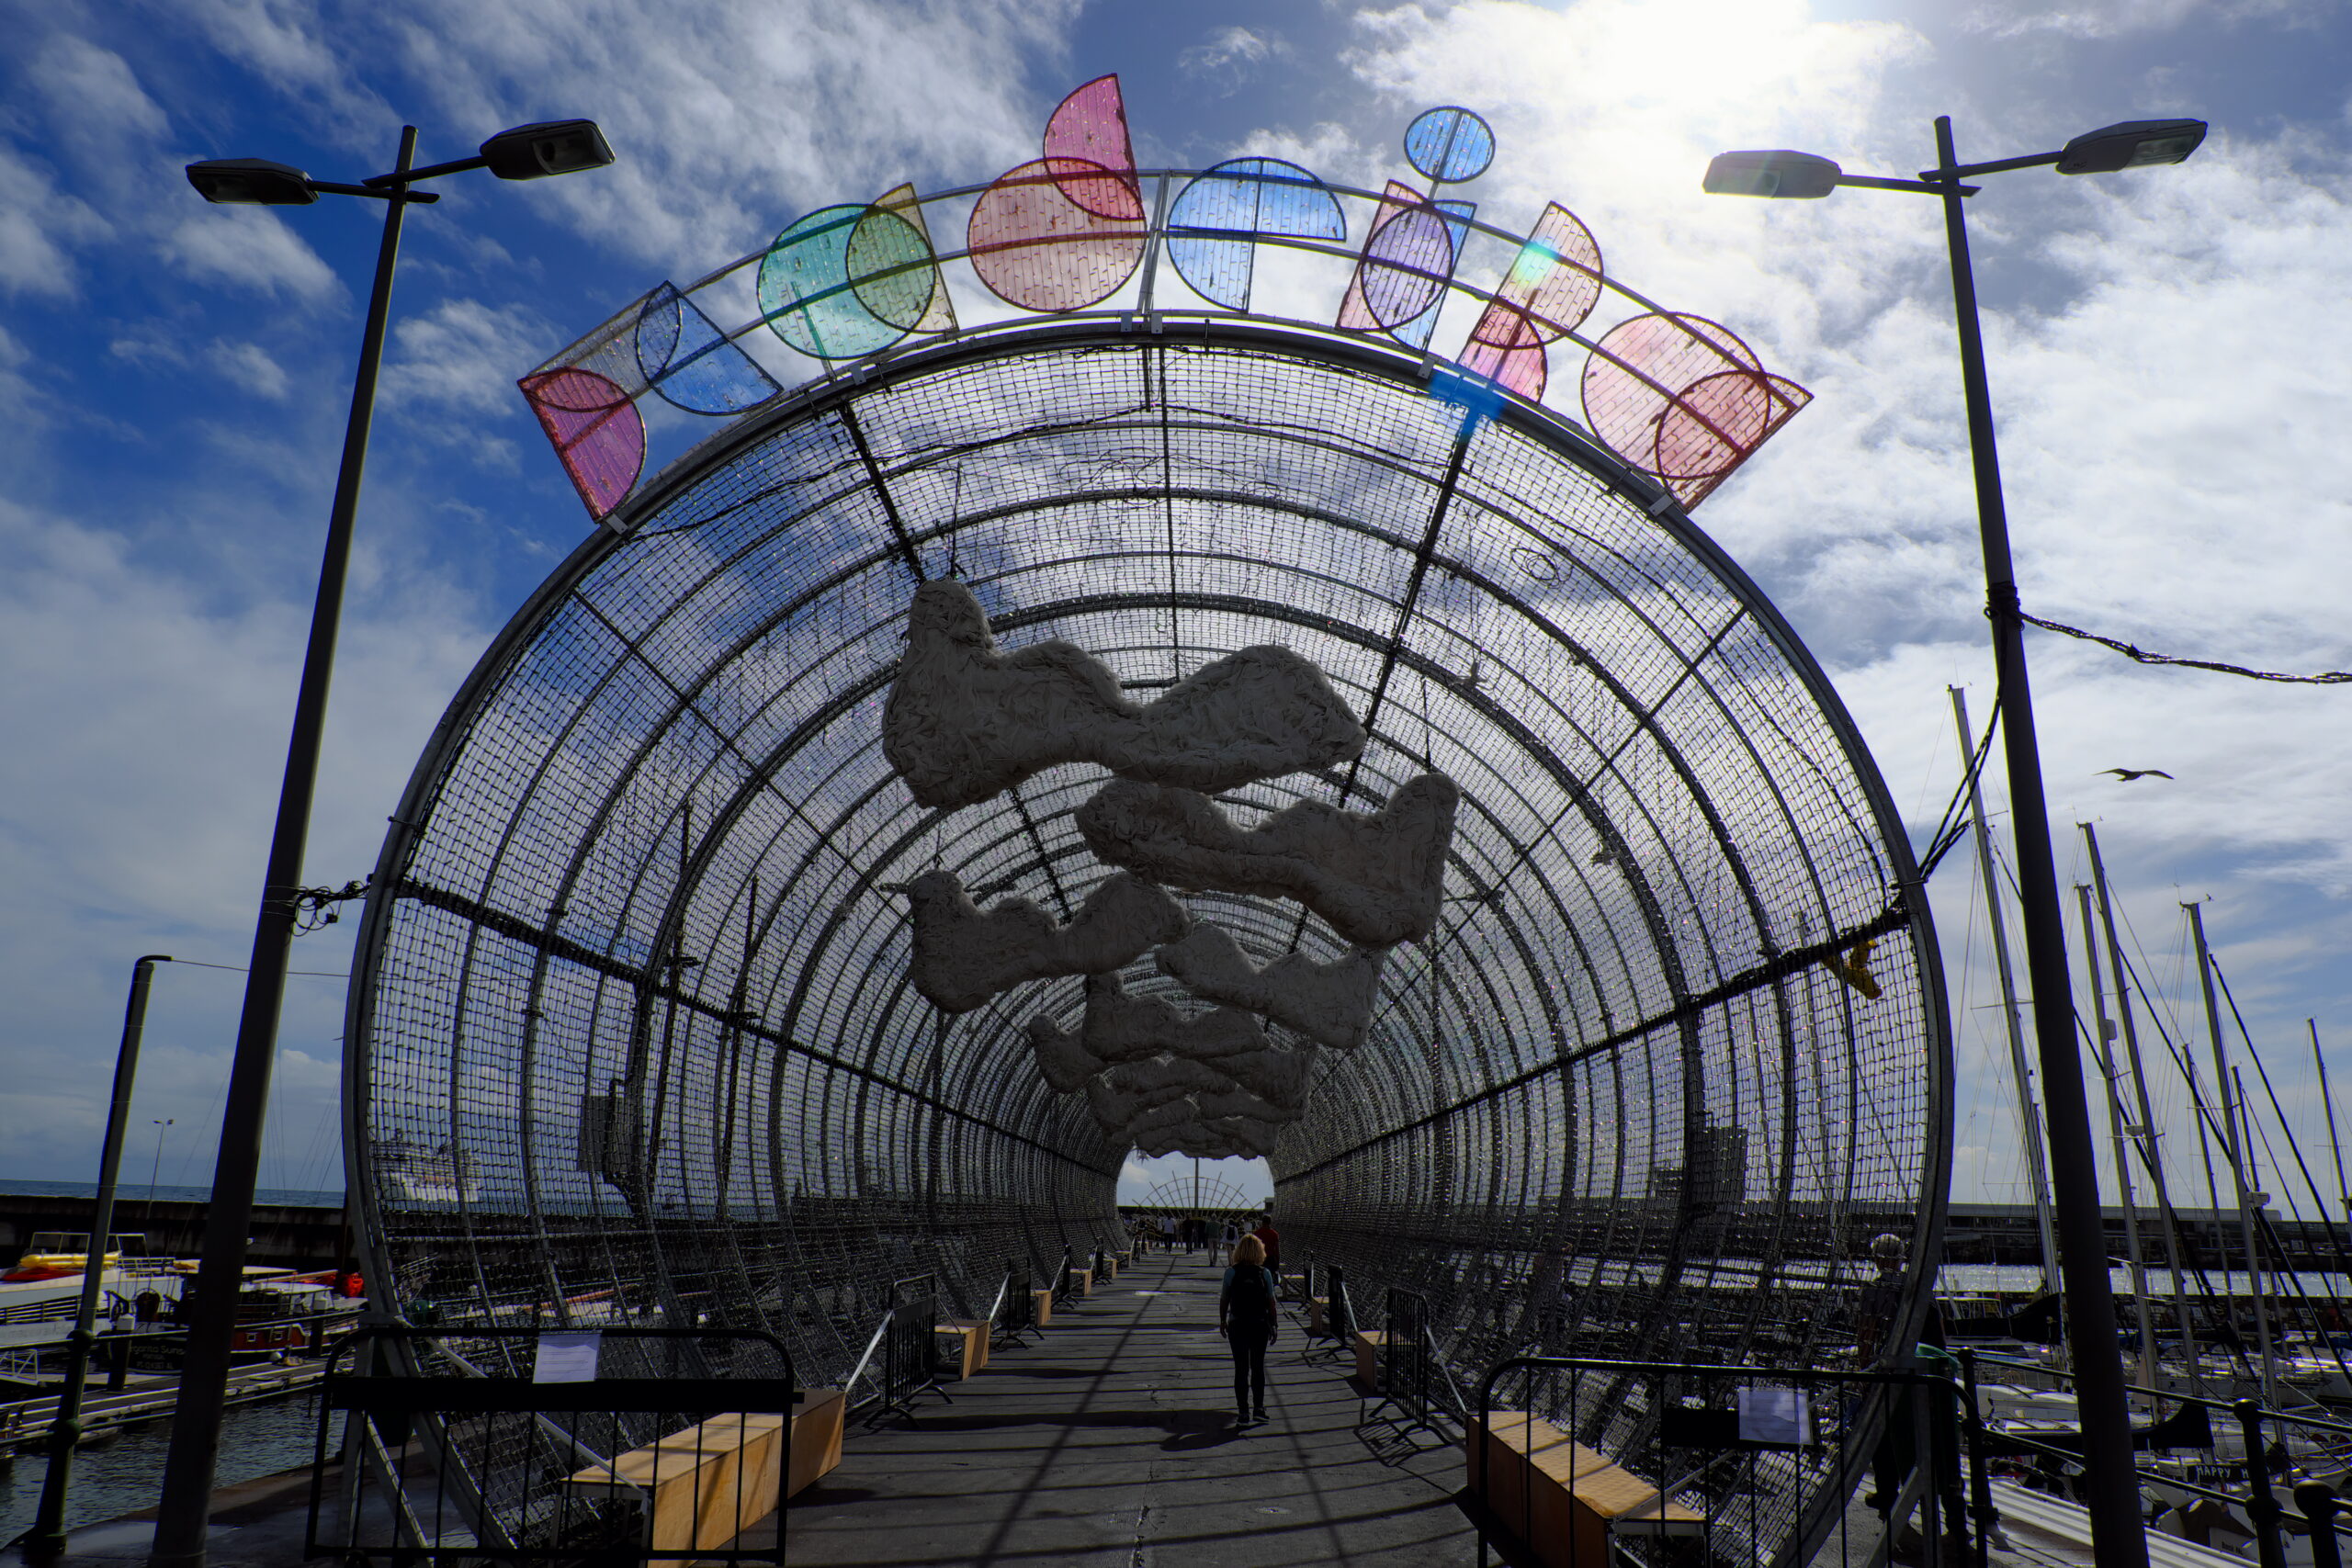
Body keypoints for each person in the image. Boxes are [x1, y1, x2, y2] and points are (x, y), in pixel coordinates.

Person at [1220, 1233, 1280, 1426]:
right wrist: (1274, 1324)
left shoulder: (1231, 1272)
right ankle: (1259, 1408)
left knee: (1241, 1368)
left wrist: (1222, 1321)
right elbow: (1271, 1301)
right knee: (1257, 1367)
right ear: (1259, 1251)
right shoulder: (1264, 1273)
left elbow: (1224, 1299)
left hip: (1237, 1323)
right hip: (1259, 1324)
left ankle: (1243, 1411)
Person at [1250, 1213, 1282, 1288]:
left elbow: (1253, 1248)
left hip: (1259, 1259)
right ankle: (1270, 1291)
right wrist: (1277, 1261)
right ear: (1270, 1222)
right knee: (1270, 1277)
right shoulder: (1274, 1234)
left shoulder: (1256, 1233)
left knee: (1259, 1278)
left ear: (1262, 1222)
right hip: (1270, 1259)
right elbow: (1277, 1249)